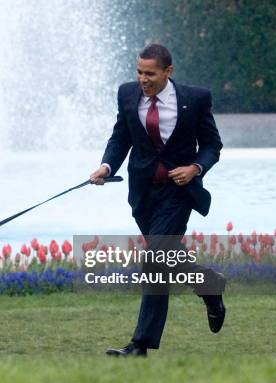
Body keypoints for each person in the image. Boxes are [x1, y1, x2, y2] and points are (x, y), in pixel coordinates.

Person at [90, 44, 226, 357]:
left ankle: (140, 344)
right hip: (143, 193)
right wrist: (107, 166)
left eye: (150, 73)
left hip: (178, 192)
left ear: (168, 72)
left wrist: (194, 168)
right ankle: (209, 285)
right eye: (139, 72)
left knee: (155, 260)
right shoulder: (127, 94)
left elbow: (211, 145)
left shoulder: (195, 99)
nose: (143, 79)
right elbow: (121, 137)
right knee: (165, 258)